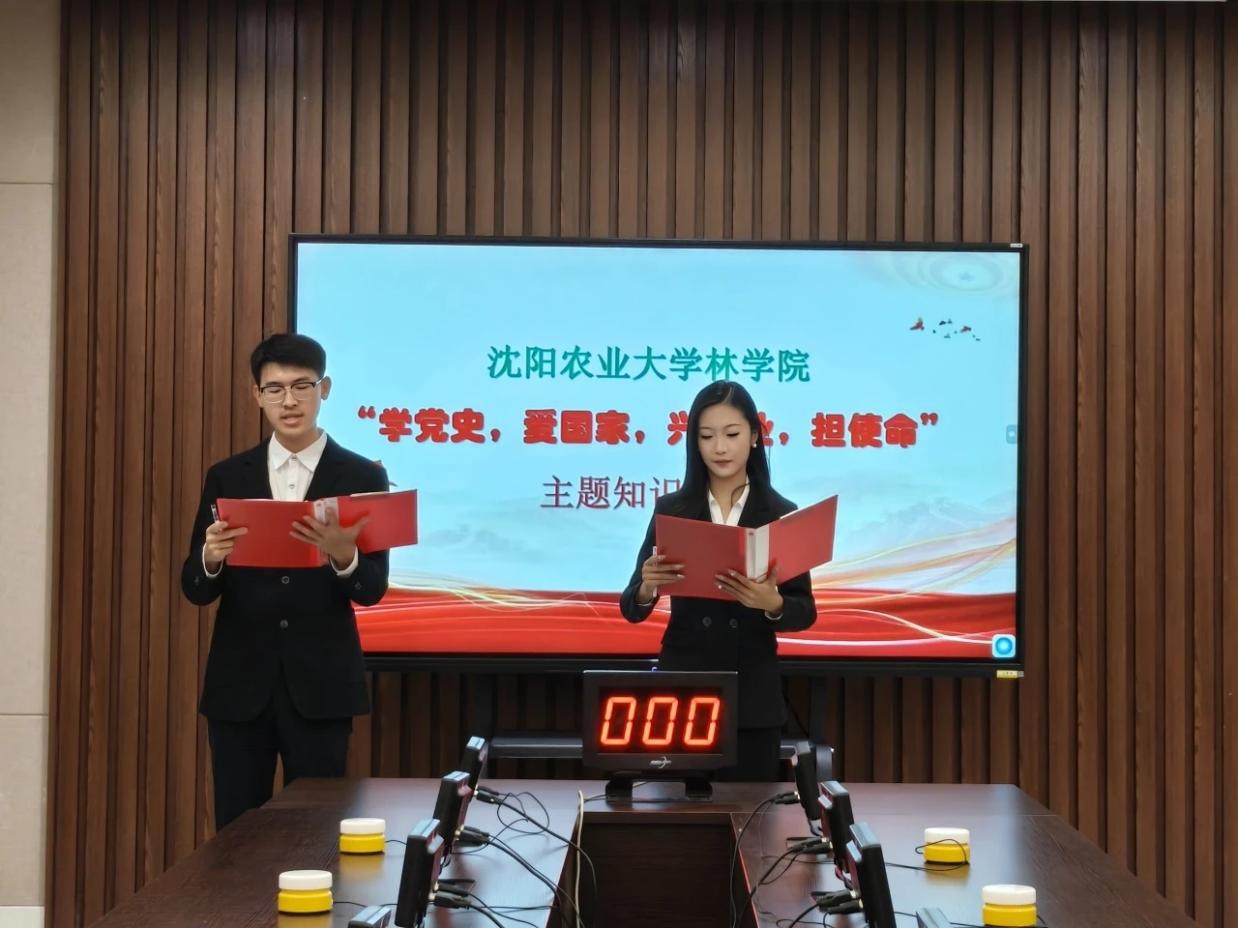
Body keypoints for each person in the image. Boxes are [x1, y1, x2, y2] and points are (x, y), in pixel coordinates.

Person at [181, 333, 389, 829]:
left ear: (325, 389)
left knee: (316, 836)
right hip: (239, 687)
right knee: (235, 836)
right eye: (274, 389)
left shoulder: (362, 476)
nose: (289, 401)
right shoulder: (227, 476)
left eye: (302, 386)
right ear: (257, 394)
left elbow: (372, 589)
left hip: (321, 687)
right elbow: (195, 588)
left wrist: (344, 557)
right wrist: (210, 557)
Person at [620, 381, 818, 781]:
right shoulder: (673, 509)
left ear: (755, 436)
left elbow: (804, 611)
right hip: (683, 693)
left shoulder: (780, 513)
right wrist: (648, 586)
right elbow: (631, 607)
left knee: (751, 812)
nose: (720, 448)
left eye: (732, 434)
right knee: (678, 812)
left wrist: (771, 603)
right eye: (707, 436)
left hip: (752, 697)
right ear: (694, 442)